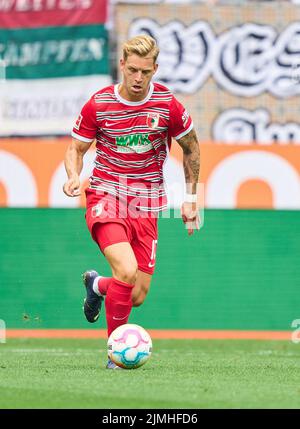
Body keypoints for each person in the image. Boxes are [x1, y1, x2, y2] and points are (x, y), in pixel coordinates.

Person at [63, 34, 200, 369]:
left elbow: (192, 148)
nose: (138, 79)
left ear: (155, 69)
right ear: (122, 65)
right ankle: (116, 355)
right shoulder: (99, 104)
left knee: (135, 294)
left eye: (146, 72)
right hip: (106, 193)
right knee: (125, 269)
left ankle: (96, 285)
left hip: (147, 203)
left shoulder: (168, 106)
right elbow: (76, 149)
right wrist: (72, 175)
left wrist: (191, 198)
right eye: (133, 70)